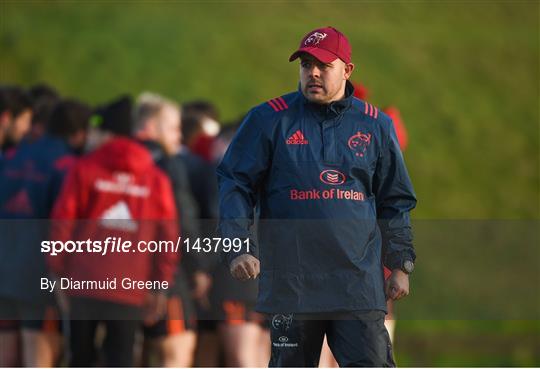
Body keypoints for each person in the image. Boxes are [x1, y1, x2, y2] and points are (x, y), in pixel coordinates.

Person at [217, 26, 417, 367]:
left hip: (357, 286)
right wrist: (237, 247)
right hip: (291, 286)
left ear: (347, 70)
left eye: (323, 65)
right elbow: (235, 184)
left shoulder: (376, 126)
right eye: (306, 64)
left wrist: (400, 263)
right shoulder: (267, 120)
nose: (312, 72)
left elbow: (394, 201)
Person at [47, 96, 179, 367]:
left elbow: (62, 223)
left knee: (80, 358)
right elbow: (167, 237)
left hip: (83, 280)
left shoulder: (84, 167)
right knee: (121, 359)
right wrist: (159, 284)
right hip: (131, 284)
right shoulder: (155, 178)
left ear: (106, 133)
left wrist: (57, 270)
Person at [0, 98, 91, 366]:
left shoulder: (12, 157)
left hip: (4, 272)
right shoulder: (67, 166)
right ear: (78, 133)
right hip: (41, 279)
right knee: (37, 360)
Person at [133, 92, 206, 367]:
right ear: (151, 127)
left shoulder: (112, 156)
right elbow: (181, 220)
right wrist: (198, 266)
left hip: (117, 274)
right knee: (177, 349)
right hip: (164, 274)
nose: (179, 136)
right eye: (174, 128)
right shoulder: (168, 164)